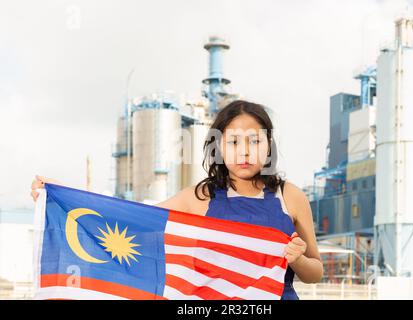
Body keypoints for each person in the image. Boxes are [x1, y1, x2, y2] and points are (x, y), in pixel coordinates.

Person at [31, 100, 323, 300]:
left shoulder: (290, 197)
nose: (244, 151)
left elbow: (315, 272)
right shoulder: (200, 197)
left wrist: (296, 258)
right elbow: (131, 219)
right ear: (219, 147)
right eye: (234, 142)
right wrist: (62, 195)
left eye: (254, 141)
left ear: (268, 145)